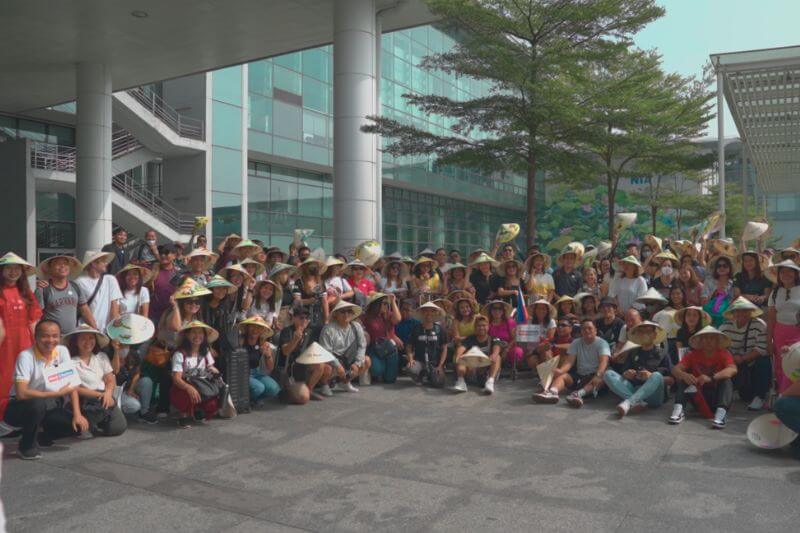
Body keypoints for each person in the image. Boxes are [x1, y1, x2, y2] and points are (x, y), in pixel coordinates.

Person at [3, 319, 90, 460]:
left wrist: (77, 414)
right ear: (35, 337)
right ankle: (26, 446)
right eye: (45, 336)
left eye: (55, 336)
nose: (50, 340)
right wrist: (54, 394)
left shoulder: (62, 351)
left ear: (60, 337)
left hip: (48, 405)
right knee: (37, 404)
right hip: (20, 407)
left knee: (76, 427)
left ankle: (40, 435)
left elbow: (72, 383)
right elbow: (21, 393)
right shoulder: (26, 356)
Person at [0, 253, 43, 425]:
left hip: (24, 343)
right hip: (4, 344)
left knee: (24, 378)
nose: (13, 272)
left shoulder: (26, 293)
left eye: (17, 268)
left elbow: (34, 320)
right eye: (9, 268)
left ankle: (23, 418)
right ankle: (3, 419)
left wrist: (39, 346)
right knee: (4, 379)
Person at [669, 326, 737, 428]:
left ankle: (721, 414)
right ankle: (678, 409)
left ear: (717, 341)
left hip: (717, 395)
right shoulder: (691, 354)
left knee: (726, 380)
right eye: (705, 338)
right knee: (684, 379)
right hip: (698, 394)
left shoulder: (724, 354)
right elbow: (675, 369)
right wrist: (684, 375)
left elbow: (732, 369)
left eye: (712, 338)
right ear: (700, 341)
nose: (708, 341)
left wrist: (712, 378)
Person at [64, 325, 127, 437]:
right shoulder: (70, 362)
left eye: (91, 338)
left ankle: (95, 424)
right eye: (83, 338)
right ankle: (86, 424)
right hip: (85, 399)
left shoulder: (101, 357)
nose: (88, 342)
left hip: (103, 397)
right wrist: (100, 394)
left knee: (118, 427)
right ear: (76, 342)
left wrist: (107, 393)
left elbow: (110, 379)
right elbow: (74, 388)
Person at [532, 319, 610, 406]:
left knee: (603, 377)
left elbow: (604, 362)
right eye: (584, 328)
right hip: (579, 374)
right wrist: (561, 371)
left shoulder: (602, 343)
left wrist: (598, 375)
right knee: (563, 376)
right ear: (581, 331)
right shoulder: (576, 342)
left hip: (594, 376)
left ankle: (578, 395)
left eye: (589, 328)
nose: (586, 330)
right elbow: (569, 361)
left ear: (595, 330)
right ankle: (552, 392)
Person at [604, 321, 672, 417]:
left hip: (654, 395)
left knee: (656, 375)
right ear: (638, 335)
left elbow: (671, 380)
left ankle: (629, 402)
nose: (645, 334)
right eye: (642, 332)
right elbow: (624, 373)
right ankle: (637, 402)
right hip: (634, 388)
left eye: (648, 332)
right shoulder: (633, 352)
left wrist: (650, 377)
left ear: (655, 335)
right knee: (608, 374)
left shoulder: (662, 354)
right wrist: (627, 374)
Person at [719, 297, 769, 411]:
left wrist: (743, 358)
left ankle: (760, 396)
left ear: (751, 312)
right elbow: (721, 348)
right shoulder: (725, 327)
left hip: (752, 362)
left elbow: (762, 348)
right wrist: (732, 358)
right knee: (745, 396)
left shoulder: (760, 325)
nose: (741, 313)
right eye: (738, 310)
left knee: (764, 360)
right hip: (733, 363)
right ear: (733, 313)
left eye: (745, 310)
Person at [277, 303, 332, 403]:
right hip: (292, 367)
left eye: (307, 318)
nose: (304, 321)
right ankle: (304, 391)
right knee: (302, 399)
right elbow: (285, 352)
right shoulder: (287, 331)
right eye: (301, 318)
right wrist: (295, 339)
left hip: (305, 364)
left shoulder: (310, 332)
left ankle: (309, 390)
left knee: (327, 368)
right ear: (293, 318)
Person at [170, 321, 220, 428]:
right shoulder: (179, 354)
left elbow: (210, 366)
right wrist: (188, 387)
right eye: (194, 333)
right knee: (188, 395)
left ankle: (197, 409)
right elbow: (176, 378)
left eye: (200, 333)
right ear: (187, 335)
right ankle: (183, 415)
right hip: (183, 387)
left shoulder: (205, 351)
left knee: (212, 404)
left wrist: (214, 371)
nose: (197, 336)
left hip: (202, 385)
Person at [35, 255, 97, 333]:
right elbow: (35, 317)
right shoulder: (43, 289)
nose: (62, 266)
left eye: (65, 263)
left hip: (71, 337)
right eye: (58, 263)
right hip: (51, 339)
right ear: (50, 268)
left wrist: (96, 329)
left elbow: (85, 311)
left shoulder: (75, 287)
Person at [319, 300, 370, 391]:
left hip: (349, 359)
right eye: (342, 311)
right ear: (336, 314)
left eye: (349, 311)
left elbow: (362, 345)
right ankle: (324, 384)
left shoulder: (356, 326)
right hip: (332, 361)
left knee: (366, 361)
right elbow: (326, 352)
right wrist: (337, 365)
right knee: (327, 368)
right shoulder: (328, 329)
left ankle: (345, 382)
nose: (346, 314)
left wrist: (357, 364)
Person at [766, 259, 800, 394]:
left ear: (796, 274)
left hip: (797, 333)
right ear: (778, 275)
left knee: (796, 364)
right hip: (779, 332)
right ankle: (783, 395)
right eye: (782, 272)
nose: (786, 274)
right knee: (780, 365)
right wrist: (769, 341)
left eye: (790, 271)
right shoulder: (775, 293)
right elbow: (771, 319)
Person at [452, 315, 502, 394]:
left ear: (488, 327)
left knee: (498, 357)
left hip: (486, 372)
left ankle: (490, 382)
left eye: (484, 325)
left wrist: (494, 354)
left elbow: (497, 347)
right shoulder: (470, 338)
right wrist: (458, 356)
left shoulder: (494, 338)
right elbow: (462, 348)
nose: (481, 328)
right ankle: (461, 382)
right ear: (475, 327)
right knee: (461, 357)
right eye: (479, 326)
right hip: (471, 371)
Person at [74, 251, 122, 333]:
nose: (106, 263)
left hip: (107, 330)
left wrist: (113, 331)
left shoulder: (110, 279)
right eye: (103, 261)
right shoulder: (79, 282)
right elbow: (82, 309)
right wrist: (95, 329)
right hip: (86, 329)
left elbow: (115, 304)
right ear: (93, 264)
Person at [238, 316, 280, 406]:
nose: (255, 330)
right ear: (247, 327)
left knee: (274, 388)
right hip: (242, 373)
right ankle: (244, 401)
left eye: (259, 327)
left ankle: (255, 399)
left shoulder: (263, 343)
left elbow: (270, 368)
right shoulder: (240, 341)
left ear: (262, 330)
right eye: (252, 326)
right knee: (259, 387)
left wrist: (268, 355)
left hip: (256, 372)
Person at [362, 293, 402, 384]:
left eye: (387, 303)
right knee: (377, 370)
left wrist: (393, 302)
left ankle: (386, 372)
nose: (386, 305)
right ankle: (378, 371)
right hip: (375, 349)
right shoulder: (367, 317)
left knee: (390, 380)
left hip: (390, 349)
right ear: (376, 304)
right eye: (384, 303)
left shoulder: (388, 314)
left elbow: (398, 319)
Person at [406, 301, 448, 387]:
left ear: (435, 313)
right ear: (422, 313)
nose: (429, 313)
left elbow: (444, 348)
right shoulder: (416, 329)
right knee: (411, 369)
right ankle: (420, 376)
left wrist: (440, 365)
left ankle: (430, 376)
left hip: (435, 363)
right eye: (426, 311)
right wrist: (410, 359)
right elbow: (409, 346)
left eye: (432, 311)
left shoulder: (440, 329)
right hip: (420, 361)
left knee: (438, 383)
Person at [483, 299, 523, 368]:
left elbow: (515, 338)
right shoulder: (487, 323)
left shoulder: (509, 322)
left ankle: (511, 367)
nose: (497, 311)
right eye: (494, 308)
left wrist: (507, 349)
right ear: (490, 310)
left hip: (508, 348)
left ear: (503, 310)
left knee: (518, 351)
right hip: (492, 350)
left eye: (500, 308)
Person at [148, 244, 183, 323]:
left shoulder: (179, 272)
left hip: (171, 316)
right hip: (153, 316)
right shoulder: (152, 270)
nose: (163, 255)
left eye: (166, 253)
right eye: (161, 253)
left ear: (174, 255)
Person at [292, 257, 329, 328]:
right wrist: (308, 301)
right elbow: (297, 301)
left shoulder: (321, 282)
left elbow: (325, 301)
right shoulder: (299, 282)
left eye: (314, 265)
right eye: (310, 265)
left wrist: (326, 319)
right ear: (304, 267)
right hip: (304, 317)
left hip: (319, 315)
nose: (312, 267)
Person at [702, 255, 735, 327]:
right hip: (709, 316)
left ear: (730, 267)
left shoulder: (734, 283)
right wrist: (714, 294)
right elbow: (703, 301)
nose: (721, 268)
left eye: (725, 266)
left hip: (727, 317)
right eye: (719, 266)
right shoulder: (709, 281)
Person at [524, 299, 557, 369]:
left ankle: (545, 374)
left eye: (543, 309)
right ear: (535, 310)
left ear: (547, 311)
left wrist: (541, 341)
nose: (541, 311)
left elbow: (550, 338)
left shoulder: (551, 321)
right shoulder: (529, 321)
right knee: (533, 362)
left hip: (545, 348)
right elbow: (528, 338)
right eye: (538, 308)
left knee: (546, 354)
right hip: (533, 349)